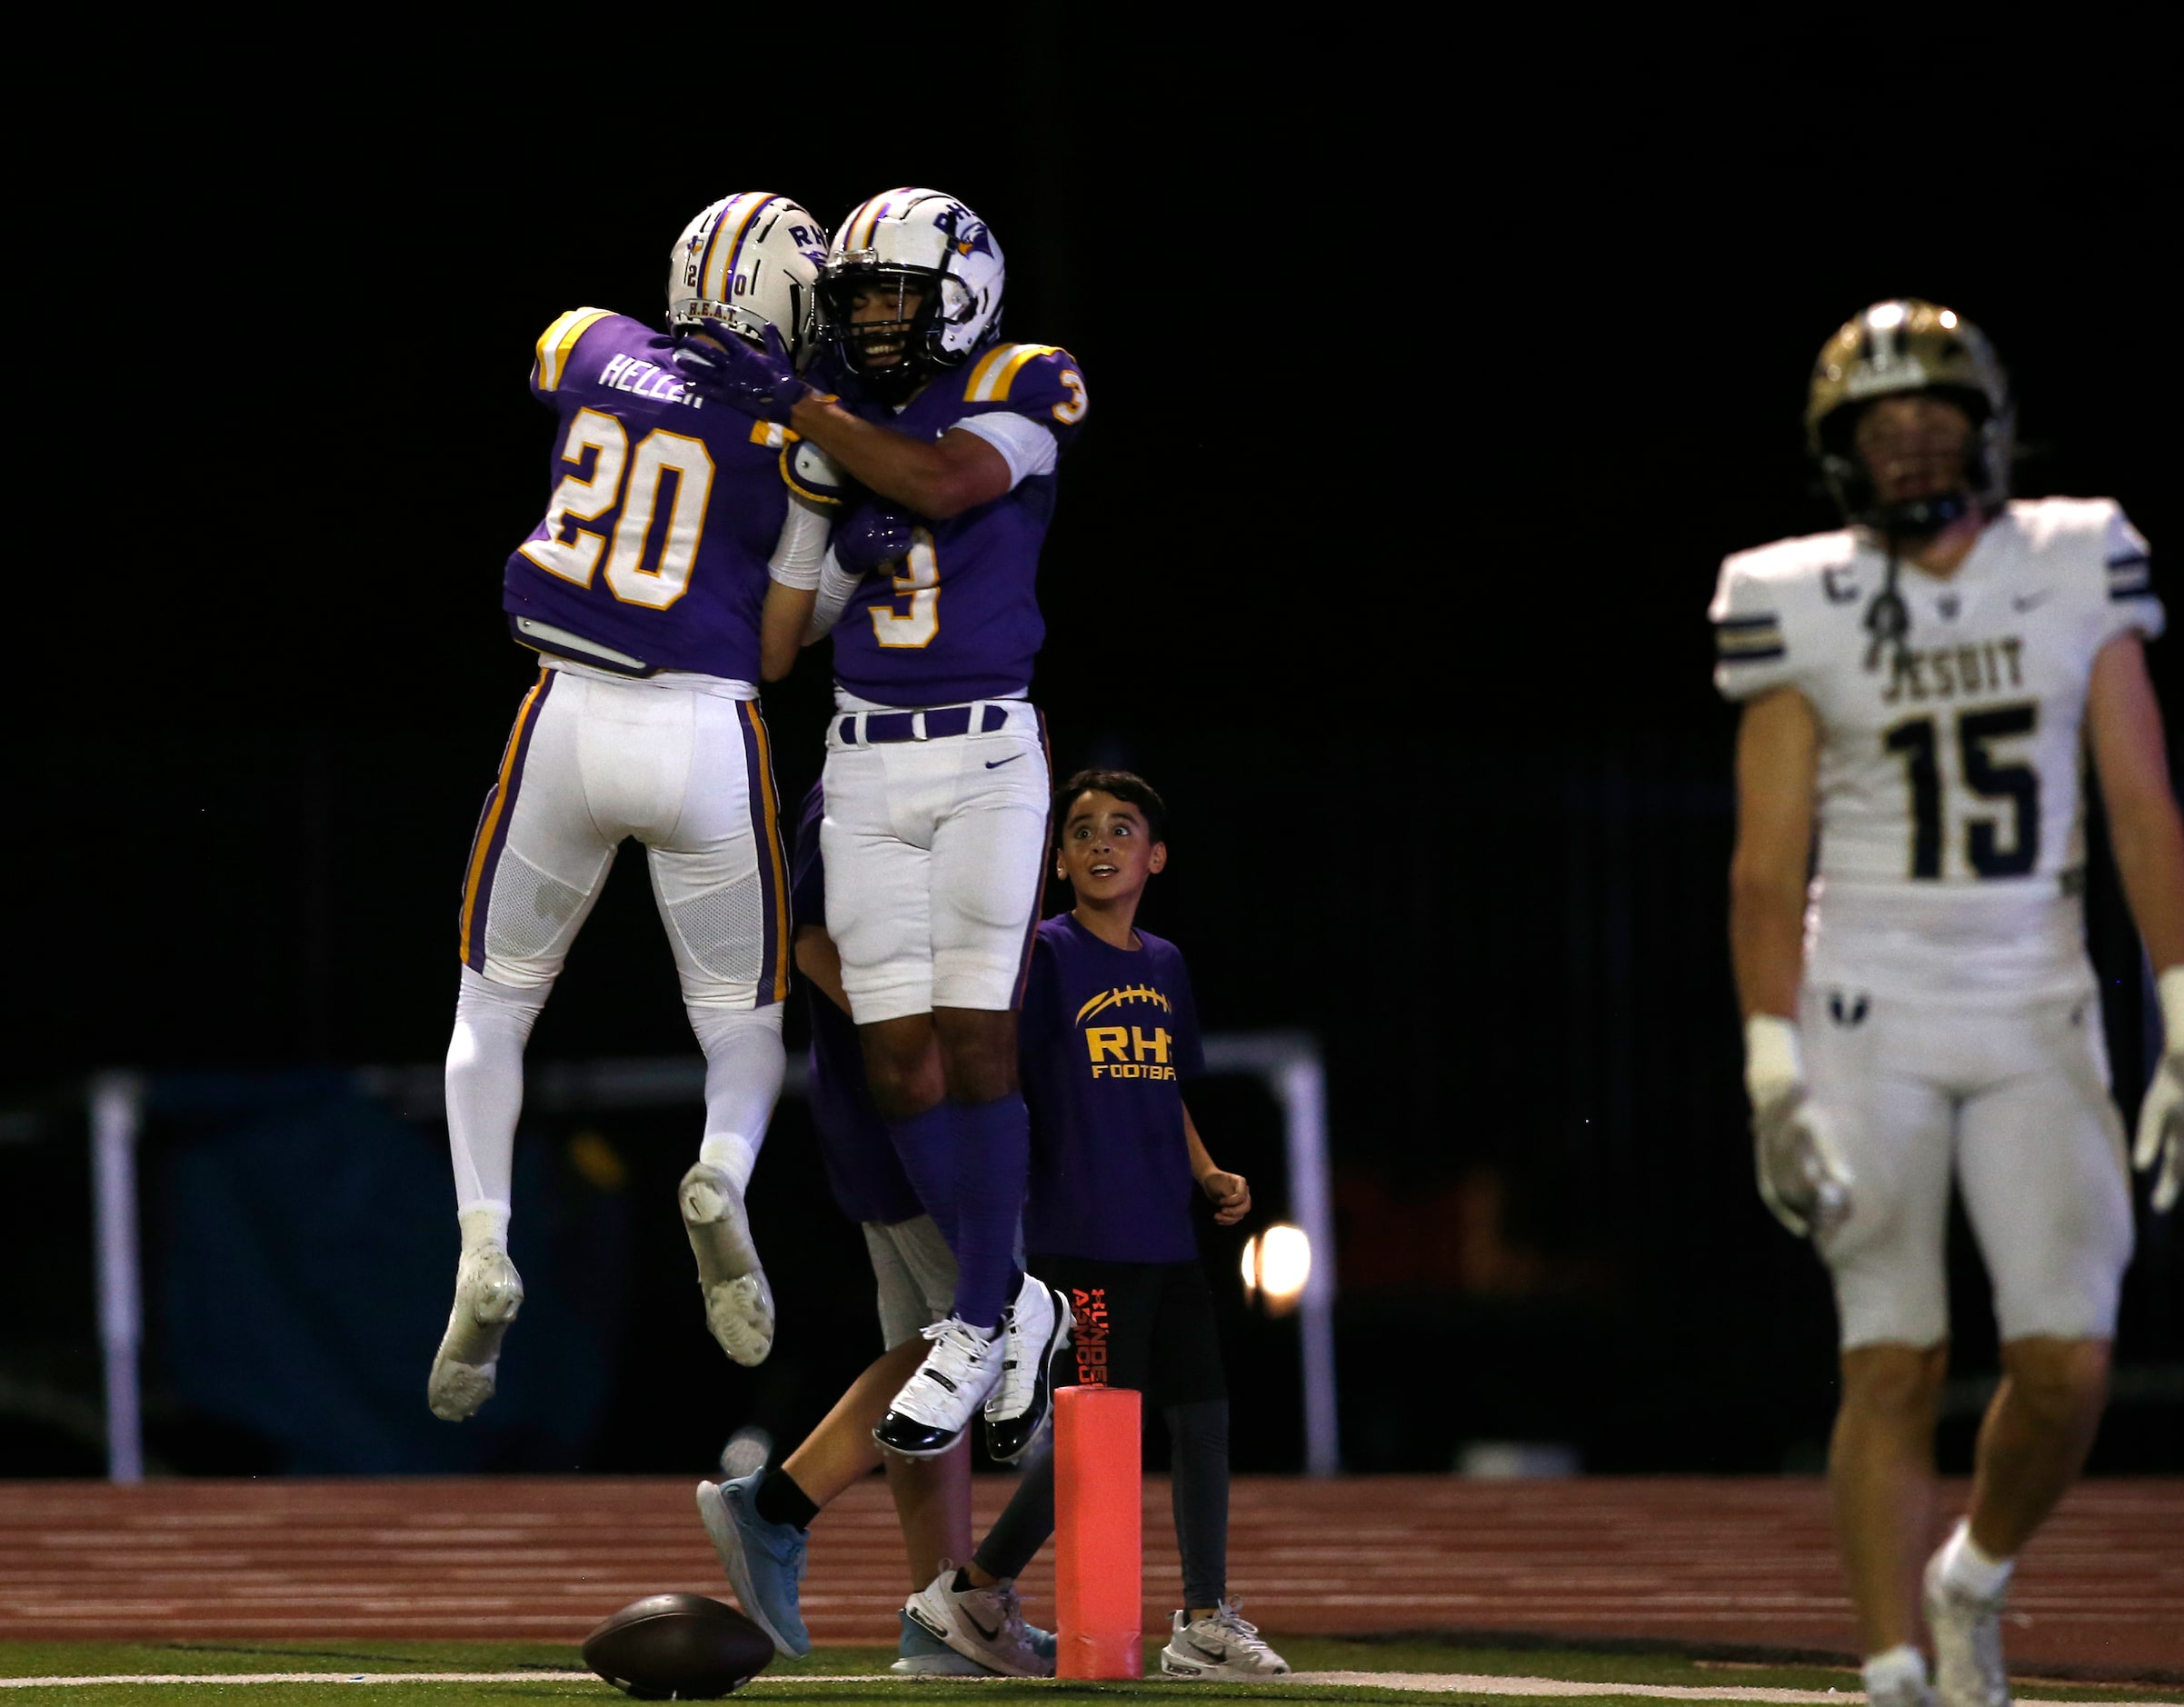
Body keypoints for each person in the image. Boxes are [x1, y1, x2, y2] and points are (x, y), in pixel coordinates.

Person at [1714, 299, 2182, 1707]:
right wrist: (1770, 1069)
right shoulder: (1790, 591)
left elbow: (2140, 803)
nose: (1909, 439)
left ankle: (1969, 1572)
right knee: (1891, 1351)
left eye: (1932, 414)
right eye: (1879, 420)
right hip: (1868, 1004)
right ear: (1838, 448)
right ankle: (1891, 1672)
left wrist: (2179, 1008)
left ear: (1985, 428)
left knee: (2066, 1359)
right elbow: (1762, 863)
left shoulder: (2070, 556)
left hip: (2035, 998)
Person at [674, 187, 1090, 1462]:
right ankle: (1010, 1299)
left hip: (982, 750)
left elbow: (948, 475)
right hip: (861, 759)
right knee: (894, 1053)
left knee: (975, 1036)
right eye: (854, 300)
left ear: (960, 290)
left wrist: (804, 416)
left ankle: (977, 1311)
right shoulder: (833, 431)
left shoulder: (1023, 380)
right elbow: (778, 644)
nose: (871, 319)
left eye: (893, 293)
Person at [427, 193, 844, 1422]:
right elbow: (787, 632)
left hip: (564, 716)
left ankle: (482, 1239)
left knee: (492, 1008)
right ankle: (719, 1173)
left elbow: (556, 365)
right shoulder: (803, 432)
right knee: (741, 1026)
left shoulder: (591, 341)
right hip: (703, 726)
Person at [899, 770, 1291, 1681]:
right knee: (1096, 1443)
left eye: (1123, 829)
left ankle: (1202, 1618)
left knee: (1203, 1423)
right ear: (1059, 860)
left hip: (1167, 1235)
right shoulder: (1045, 955)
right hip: (1083, 1236)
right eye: (1081, 831)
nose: (1102, 843)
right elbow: (991, 1076)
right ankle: (967, 1594)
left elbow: (1166, 1086)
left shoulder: (1164, 965)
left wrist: (1206, 1171)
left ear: (1155, 856)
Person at [693, 782, 1052, 1677]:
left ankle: (940, 1619)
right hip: (913, 1115)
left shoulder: (931, 760)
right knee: (979, 1338)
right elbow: (807, 937)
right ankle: (775, 1505)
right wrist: (927, 1041)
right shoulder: (874, 774)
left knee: (932, 1369)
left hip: (897, 1112)